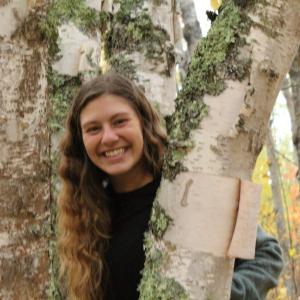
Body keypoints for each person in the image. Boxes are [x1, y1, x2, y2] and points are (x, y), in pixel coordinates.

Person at [57, 72, 283, 300]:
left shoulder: (187, 187)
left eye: (119, 121)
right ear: (81, 140)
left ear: (143, 123)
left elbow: (267, 253)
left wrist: (219, 295)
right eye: (93, 129)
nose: (108, 137)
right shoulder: (86, 214)